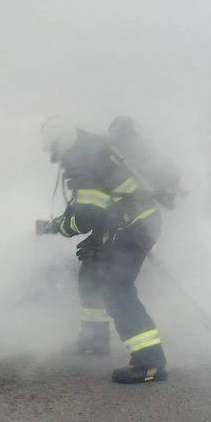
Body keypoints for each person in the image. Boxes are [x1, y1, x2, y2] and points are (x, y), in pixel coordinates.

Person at [35, 117, 168, 384]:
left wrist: (55, 228)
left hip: (135, 226)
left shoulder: (81, 159)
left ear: (61, 142)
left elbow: (87, 215)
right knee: (90, 275)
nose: (54, 156)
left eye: (53, 149)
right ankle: (94, 340)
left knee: (116, 289)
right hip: (121, 223)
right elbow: (93, 203)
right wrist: (71, 228)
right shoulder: (88, 149)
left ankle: (150, 362)